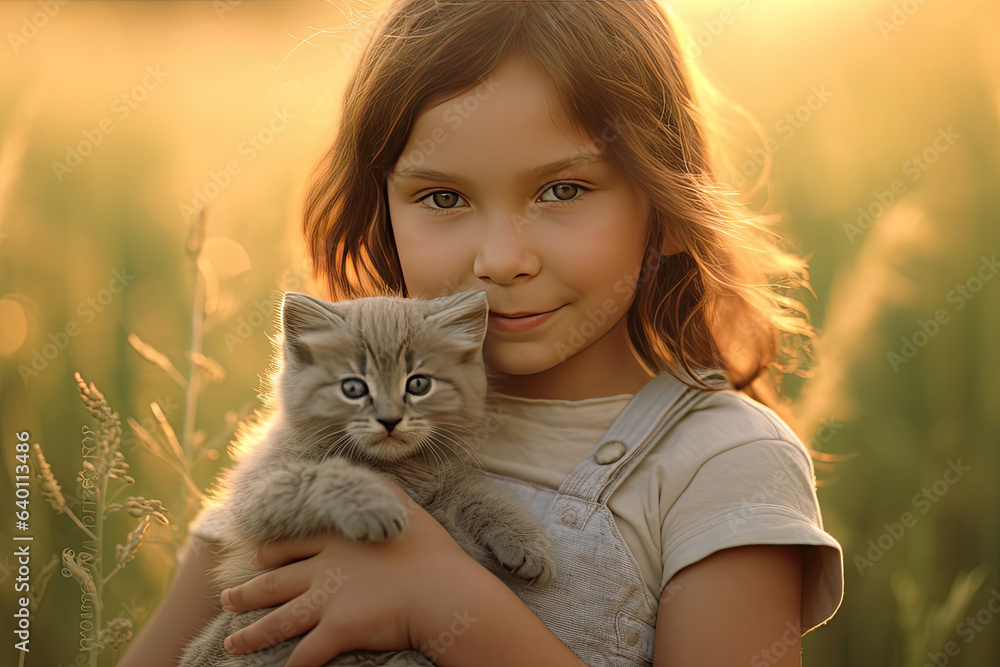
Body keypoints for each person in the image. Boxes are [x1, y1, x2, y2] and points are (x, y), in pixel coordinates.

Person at [118, 1, 844, 665]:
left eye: (562, 190)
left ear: (669, 204)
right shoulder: (321, 436)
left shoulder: (718, 464)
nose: (500, 260)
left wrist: (444, 603)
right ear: (383, 214)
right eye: (443, 196)